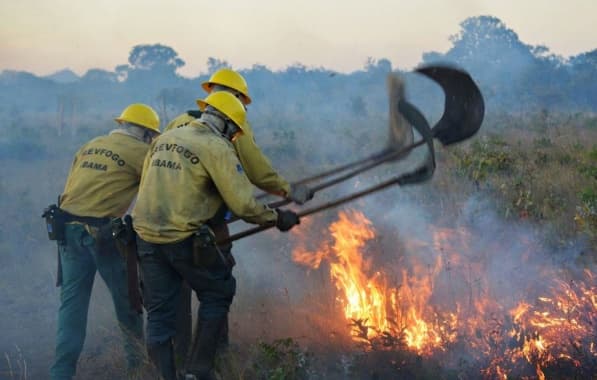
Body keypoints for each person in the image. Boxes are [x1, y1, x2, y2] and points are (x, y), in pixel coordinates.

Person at [132, 92, 301, 380]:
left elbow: (148, 183)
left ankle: (164, 375)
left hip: (145, 237)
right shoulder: (216, 146)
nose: (234, 138)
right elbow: (244, 205)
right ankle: (198, 371)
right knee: (218, 292)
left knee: (159, 313)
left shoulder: (165, 138)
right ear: (224, 124)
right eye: (234, 132)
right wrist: (276, 217)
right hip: (183, 238)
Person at [165, 68, 313, 363]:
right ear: (232, 97)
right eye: (240, 101)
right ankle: (215, 357)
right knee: (217, 288)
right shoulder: (229, 125)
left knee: (175, 294)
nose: (242, 109)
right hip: (205, 224)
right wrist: (287, 191)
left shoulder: (178, 122)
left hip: (165, 225)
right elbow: (257, 170)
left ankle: (178, 358)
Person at [48, 104, 161, 380]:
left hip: (67, 230)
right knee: (128, 304)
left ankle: (60, 374)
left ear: (122, 125)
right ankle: (138, 371)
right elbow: (156, 195)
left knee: (72, 308)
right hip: (103, 236)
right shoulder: (144, 153)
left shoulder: (91, 145)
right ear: (147, 134)